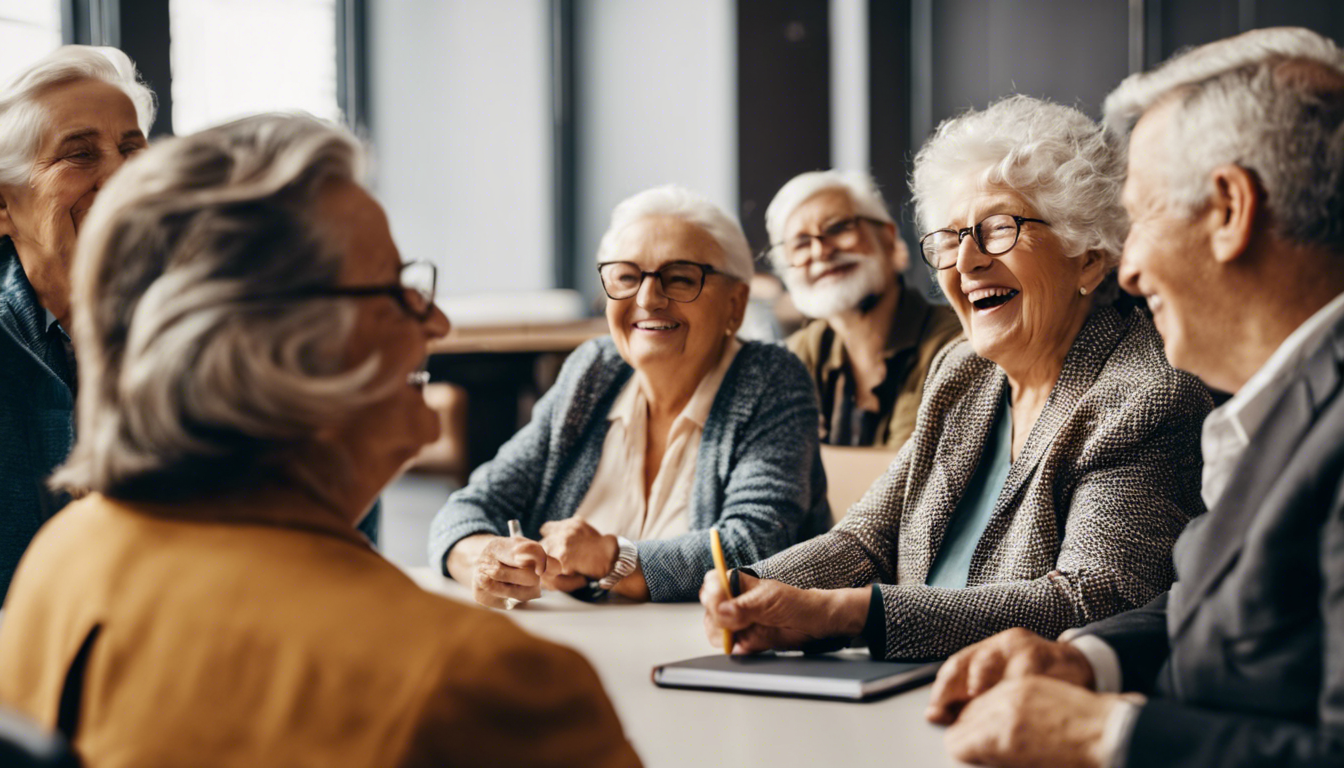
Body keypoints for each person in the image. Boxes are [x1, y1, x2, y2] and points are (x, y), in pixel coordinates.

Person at [0, 114, 640, 768]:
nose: (439, 321)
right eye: (398, 291)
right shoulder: (482, 686)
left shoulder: (63, 561)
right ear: (289, 354)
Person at [925, 27, 1344, 768]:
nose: (1130, 266)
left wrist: (1105, 733)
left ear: (1228, 210)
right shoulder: (1280, 402)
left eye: (1139, 217)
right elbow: (1206, 611)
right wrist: (1086, 662)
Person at [701, 95, 1213, 661]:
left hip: (1022, 710)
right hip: (904, 690)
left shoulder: (1146, 395)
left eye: (997, 229)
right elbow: (869, 537)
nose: (965, 263)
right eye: (948, 239)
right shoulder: (960, 371)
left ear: (1087, 256)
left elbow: (1094, 601)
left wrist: (854, 616)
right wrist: (751, 586)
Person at [429, 185, 829, 605]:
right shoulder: (595, 371)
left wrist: (610, 558)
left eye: (679, 278)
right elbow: (470, 506)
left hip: (717, 656)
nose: (648, 298)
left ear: (736, 303)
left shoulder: (771, 379)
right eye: (626, 276)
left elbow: (758, 546)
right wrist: (485, 558)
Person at [0, 46, 152, 600]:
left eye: (132, 147)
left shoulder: (201, 327)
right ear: (3, 205)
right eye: (80, 154)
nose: (121, 175)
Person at [764, 170, 962, 448]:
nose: (820, 251)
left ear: (888, 238)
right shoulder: (794, 358)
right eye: (801, 243)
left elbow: (911, 475)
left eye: (837, 228)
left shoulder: (954, 345)